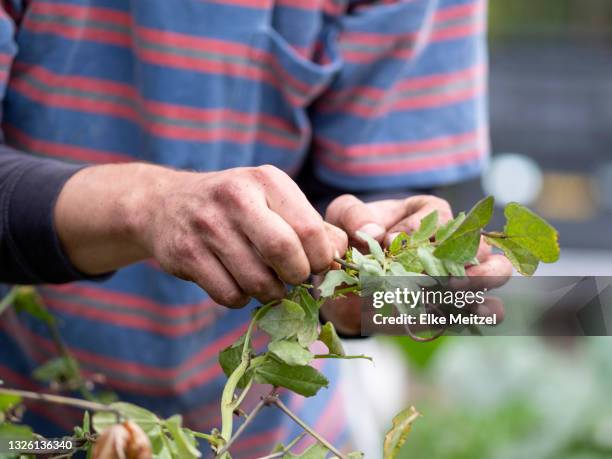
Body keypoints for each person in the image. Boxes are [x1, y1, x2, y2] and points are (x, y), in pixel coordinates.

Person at [0, 0, 511, 455]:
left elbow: (382, 195)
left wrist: (383, 283)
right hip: (27, 422)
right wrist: (147, 206)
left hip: (277, 434)